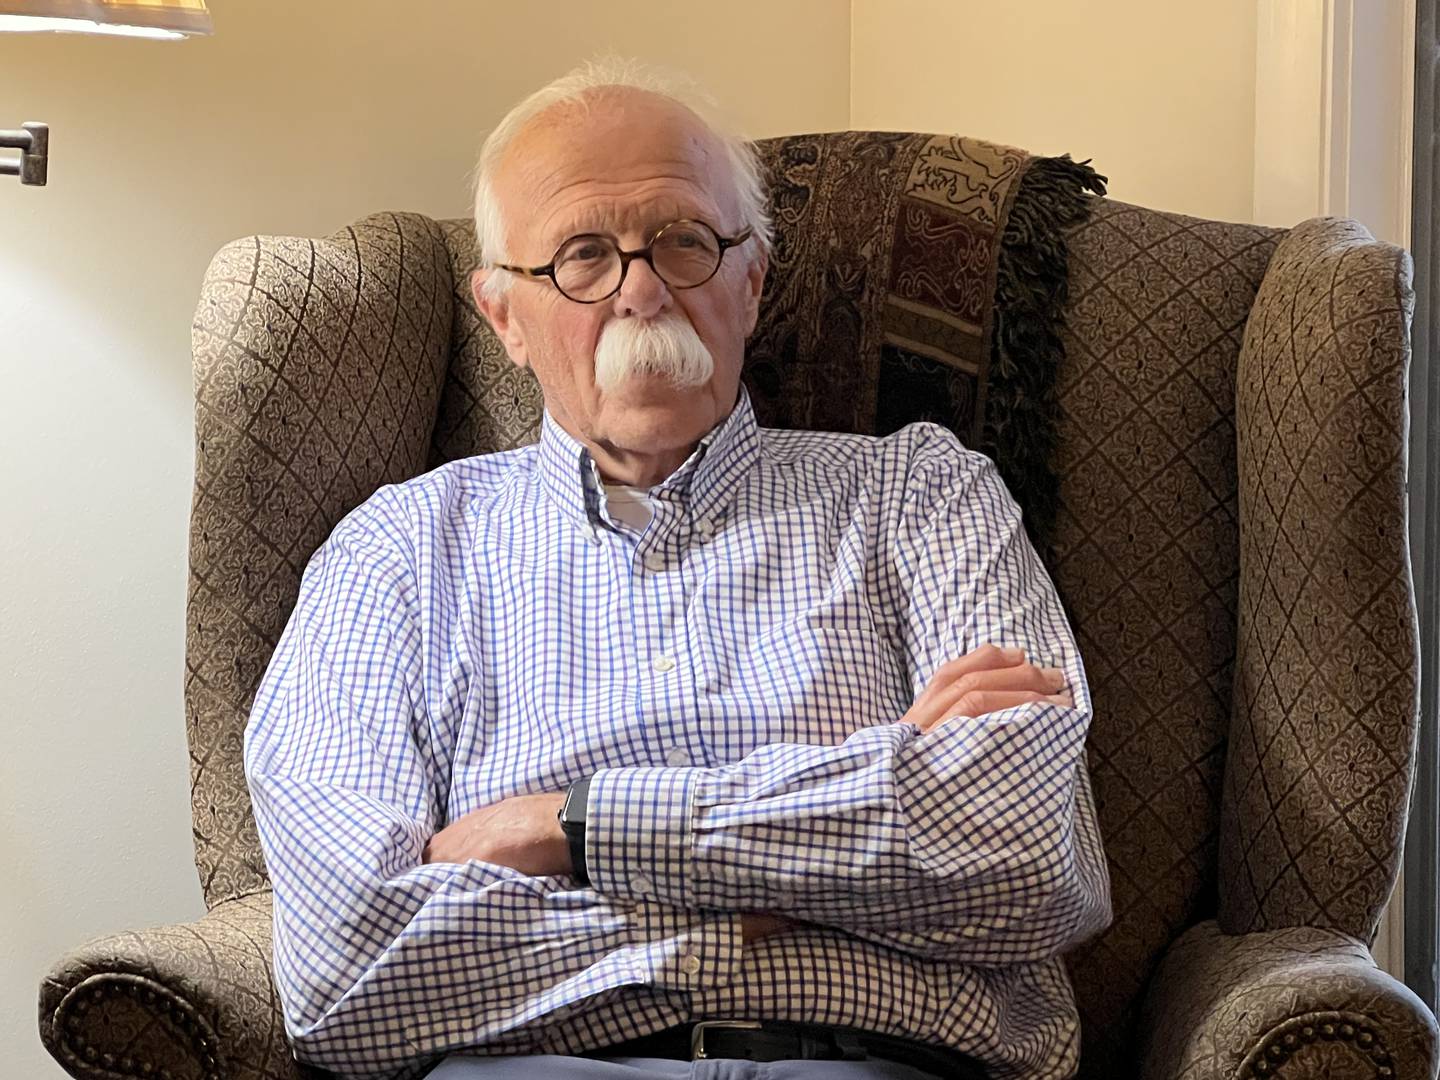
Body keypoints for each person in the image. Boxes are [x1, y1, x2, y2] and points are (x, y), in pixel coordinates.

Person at [243, 58, 1111, 1080]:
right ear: (504, 318)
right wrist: (828, 849)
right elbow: (344, 973)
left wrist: (569, 830)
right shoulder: (398, 552)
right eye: (580, 256)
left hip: (881, 1066)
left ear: (749, 284)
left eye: (684, 242)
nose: (643, 288)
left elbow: (1032, 856)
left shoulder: (921, 494)